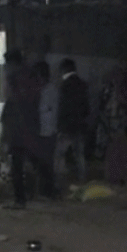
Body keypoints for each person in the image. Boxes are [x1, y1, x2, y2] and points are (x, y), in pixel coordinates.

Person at [0, 50, 41, 208]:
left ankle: (20, 199)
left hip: (18, 130)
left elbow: (12, 104)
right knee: (30, 162)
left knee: (17, 165)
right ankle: (32, 194)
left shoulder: (14, 78)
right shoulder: (31, 76)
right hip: (31, 128)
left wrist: (5, 135)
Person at [55, 58, 90, 186]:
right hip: (80, 125)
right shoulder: (83, 84)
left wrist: (59, 125)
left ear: (64, 69)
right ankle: (82, 180)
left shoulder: (64, 86)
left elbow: (62, 108)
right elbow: (86, 108)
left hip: (66, 126)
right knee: (79, 155)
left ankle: (57, 181)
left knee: (59, 155)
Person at [34, 60, 59, 198]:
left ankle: (48, 190)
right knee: (43, 163)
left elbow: (45, 109)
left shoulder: (50, 90)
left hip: (47, 132)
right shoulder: (46, 89)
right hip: (44, 131)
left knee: (46, 163)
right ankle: (44, 190)